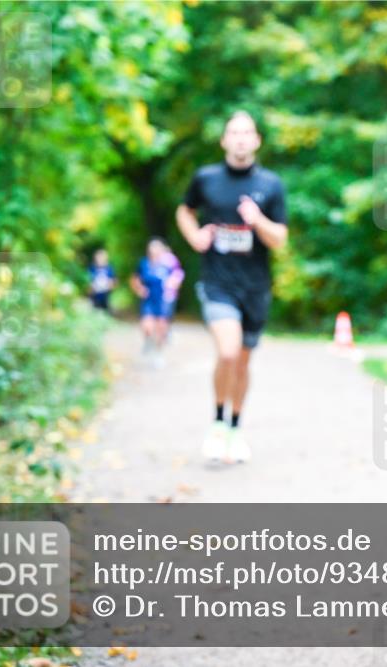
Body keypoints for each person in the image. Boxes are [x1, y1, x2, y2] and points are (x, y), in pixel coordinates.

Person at [176, 110, 288, 465]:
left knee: (241, 362)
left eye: (246, 133)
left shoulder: (271, 184)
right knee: (227, 351)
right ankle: (217, 423)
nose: (240, 139)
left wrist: (257, 221)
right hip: (217, 282)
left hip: (254, 287)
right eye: (233, 133)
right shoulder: (206, 178)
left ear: (256, 141)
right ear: (224, 140)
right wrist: (195, 236)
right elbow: (184, 211)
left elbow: (280, 239)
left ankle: (236, 427)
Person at [129, 238, 173, 366]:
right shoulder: (143, 263)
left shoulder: (167, 264)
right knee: (147, 326)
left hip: (162, 300)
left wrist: (172, 287)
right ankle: (148, 340)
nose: (155, 250)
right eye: (152, 247)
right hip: (148, 300)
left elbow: (176, 277)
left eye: (157, 247)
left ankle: (159, 354)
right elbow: (134, 279)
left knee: (161, 329)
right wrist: (139, 289)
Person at [161, 244, 185, 336]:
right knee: (165, 313)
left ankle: (166, 331)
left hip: (168, 292)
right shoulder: (159, 259)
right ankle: (164, 331)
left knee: (166, 313)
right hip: (164, 292)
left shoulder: (171, 259)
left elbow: (178, 274)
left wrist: (173, 284)